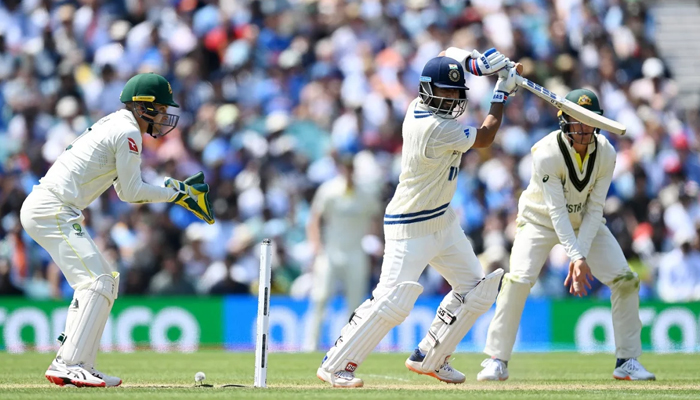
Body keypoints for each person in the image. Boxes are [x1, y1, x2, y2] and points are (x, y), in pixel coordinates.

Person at [316, 47, 520, 387]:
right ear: (426, 89)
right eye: (444, 91)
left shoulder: (421, 105)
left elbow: (444, 54)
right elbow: (485, 136)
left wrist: (476, 64)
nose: (451, 98)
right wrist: (500, 92)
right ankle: (335, 364)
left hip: (443, 219)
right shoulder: (432, 128)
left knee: (476, 289)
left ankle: (432, 357)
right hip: (409, 224)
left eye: (456, 91)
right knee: (391, 302)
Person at [19, 73, 214, 387]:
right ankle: (69, 363)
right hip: (51, 208)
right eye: (161, 110)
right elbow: (134, 191)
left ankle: (78, 362)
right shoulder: (126, 131)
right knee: (97, 282)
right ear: (143, 107)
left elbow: (125, 192)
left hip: (55, 209)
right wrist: (177, 194)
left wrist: (174, 189)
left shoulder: (119, 125)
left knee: (103, 283)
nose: (165, 117)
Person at [477, 89, 656, 381]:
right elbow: (556, 212)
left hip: (585, 221)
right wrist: (576, 256)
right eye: (578, 120)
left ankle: (627, 361)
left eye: (590, 121)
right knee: (518, 279)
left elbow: (596, 208)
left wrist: (579, 253)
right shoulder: (546, 152)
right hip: (539, 220)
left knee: (626, 280)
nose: (584, 129)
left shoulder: (607, 153)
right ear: (564, 120)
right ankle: (497, 360)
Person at [304, 155, 381, 351]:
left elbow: (375, 218)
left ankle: (349, 346)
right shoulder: (329, 190)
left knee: (355, 303)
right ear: (340, 169)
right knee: (320, 297)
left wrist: (376, 241)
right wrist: (316, 246)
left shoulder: (365, 193)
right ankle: (310, 345)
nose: (348, 172)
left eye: (350, 168)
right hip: (330, 252)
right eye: (344, 168)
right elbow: (314, 219)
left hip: (356, 253)